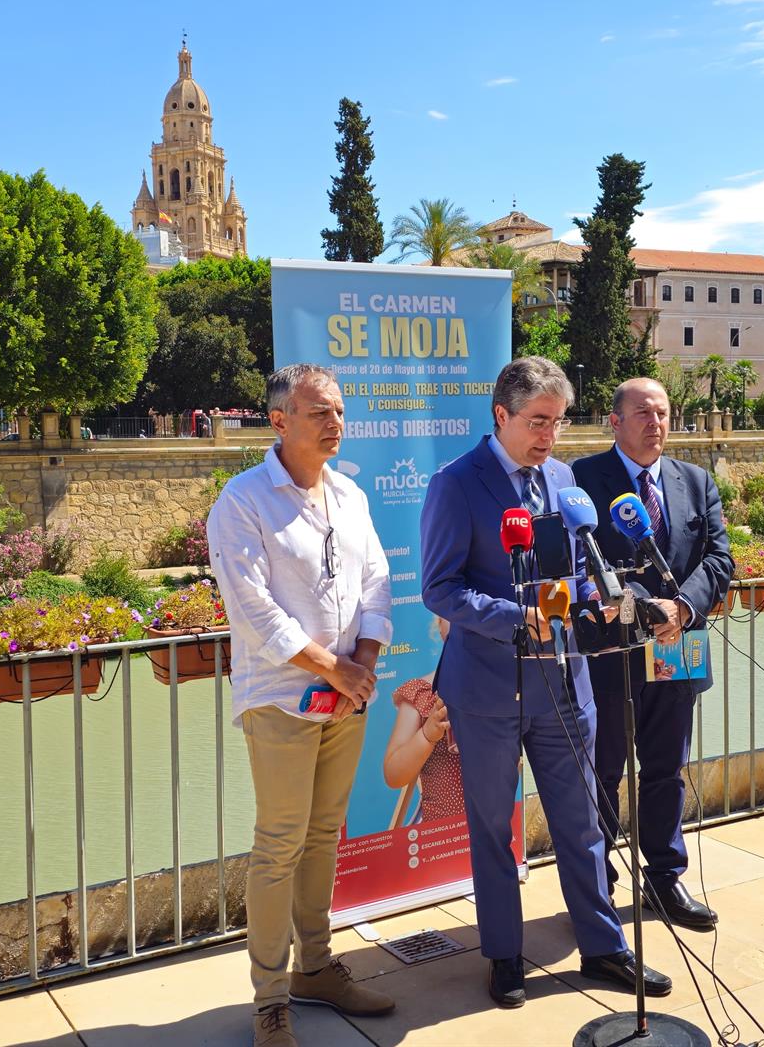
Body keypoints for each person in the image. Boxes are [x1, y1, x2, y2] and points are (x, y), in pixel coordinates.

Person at [420, 355, 670, 1010]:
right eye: (537, 421)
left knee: (583, 823)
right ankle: (504, 956)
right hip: (488, 691)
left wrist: (601, 597)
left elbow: (579, 571)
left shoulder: (563, 481)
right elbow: (440, 589)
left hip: (566, 683)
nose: (549, 437)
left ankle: (603, 944)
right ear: (500, 415)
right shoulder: (456, 484)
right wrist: (512, 617)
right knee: (492, 830)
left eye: (558, 423)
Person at [206, 363, 397, 1047]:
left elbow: (377, 580)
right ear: (279, 420)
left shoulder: (350, 495)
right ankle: (270, 999)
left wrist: (364, 664)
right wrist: (334, 669)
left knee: (322, 838)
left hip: (347, 698)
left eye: (339, 410)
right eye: (319, 411)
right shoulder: (242, 501)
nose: (335, 422)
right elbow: (254, 610)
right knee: (279, 846)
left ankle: (316, 968)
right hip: (281, 701)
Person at [574, 378, 734, 932]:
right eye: (643, 413)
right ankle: (599, 890)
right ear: (614, 421)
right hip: (612, 656)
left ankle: (664, 881)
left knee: (666, 770)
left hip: (677, 651)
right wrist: (644, 608)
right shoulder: (581, 481)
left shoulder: (696, 481)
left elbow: (718, 560)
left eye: (663, 413)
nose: (656, 423)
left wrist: (682, 608)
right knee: (603, 771)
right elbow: (581, 565)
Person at [382, 617, 463, 825]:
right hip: (441, 838)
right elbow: (393, 775)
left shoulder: (503, 687)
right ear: (438, 623)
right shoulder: (421, 693)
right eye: (452, 608)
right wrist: (428, 734)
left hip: (497, 832)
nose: (464, 616)